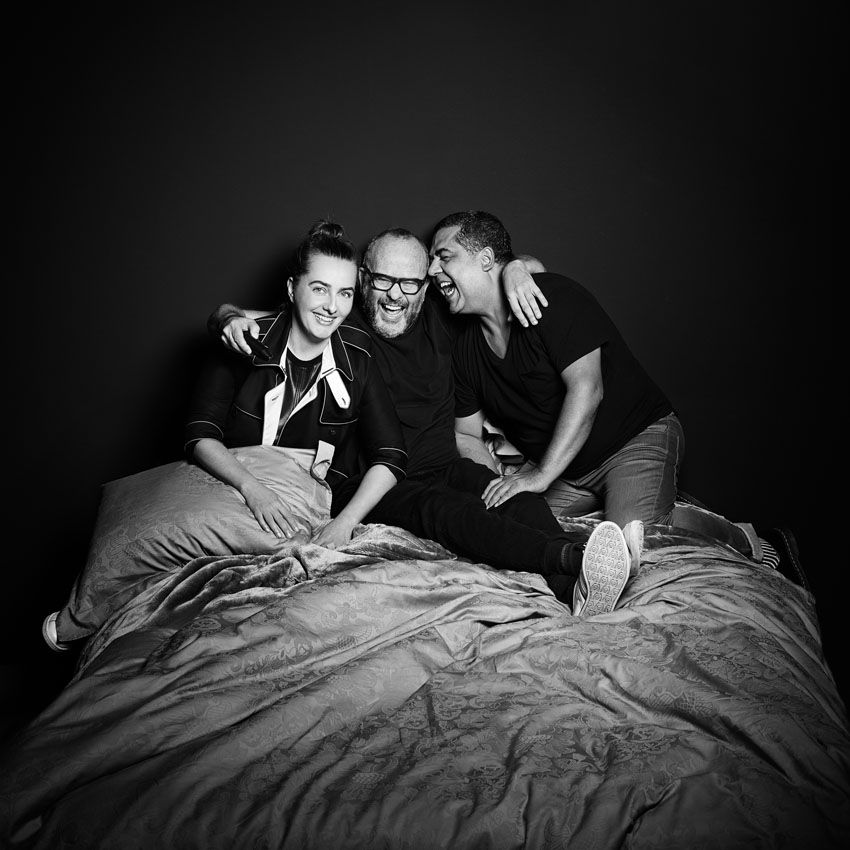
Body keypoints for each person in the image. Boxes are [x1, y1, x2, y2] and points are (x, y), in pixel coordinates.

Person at [211, 227, 640, 617]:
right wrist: (228, 319)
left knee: (517, 500)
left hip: (445, 466)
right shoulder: (339, 319)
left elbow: (505, 275)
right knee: (449, 512)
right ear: (363, 278)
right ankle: (576, 557)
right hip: (371, 482)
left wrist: (515, 269)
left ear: (425, 285)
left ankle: (574, 591)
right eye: (383, 280)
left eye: (409, 283)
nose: (395, 295)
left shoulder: (442, 317)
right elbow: (236, 314)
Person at [428, 210, 783, 564]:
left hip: (635, 439)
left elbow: (587, 390)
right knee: (517, 527)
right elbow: (467, 434)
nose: (432, 270)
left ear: (485, 259)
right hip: (567, 466)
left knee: (634, 539)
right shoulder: (464, 348)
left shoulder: (555, 297)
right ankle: (626, 504)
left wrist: (539, 477)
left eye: (444, 257)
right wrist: (494, 487)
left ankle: (744, 538)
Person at [185, 219, 407, 550]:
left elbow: (391, 455)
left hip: (307, 504)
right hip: (230, 488)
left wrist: (344, 524)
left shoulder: (358, 354)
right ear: (292, 289)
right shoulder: (244, 339)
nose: (332, 306)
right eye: (319, 289)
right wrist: (253, 490)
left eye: (344, 293)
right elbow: (200, 434)